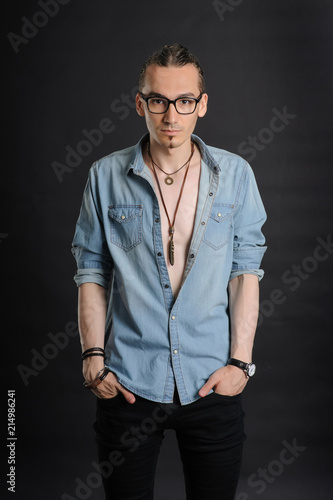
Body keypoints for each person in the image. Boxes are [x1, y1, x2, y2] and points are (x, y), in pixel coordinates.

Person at [71, 43, 267, 500]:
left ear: (202, 104)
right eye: (158, 101)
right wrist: (92, 358)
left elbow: (245, 273)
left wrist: (241, 364)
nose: (171, 116)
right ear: (141, 103)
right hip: (128, 384)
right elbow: (91, 272)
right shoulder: (104, 176)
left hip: (211, 383)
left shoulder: (236, 175)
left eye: (184, 101)